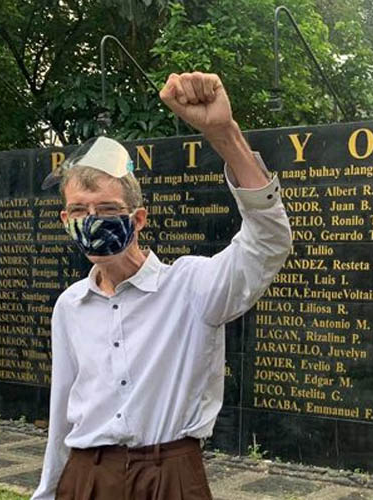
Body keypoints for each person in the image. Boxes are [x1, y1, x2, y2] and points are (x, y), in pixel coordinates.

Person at [31, 72, 291, 500]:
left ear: (138, 219)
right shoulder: (70, 305)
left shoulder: (191, 287)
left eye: (107, 209)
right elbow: (62, 409)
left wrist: (223, 133)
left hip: (169, 476)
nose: (91, 221)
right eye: (79, 210)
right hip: (87, 476)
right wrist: (48, 491)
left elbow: (268, 242)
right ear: (65, 220)